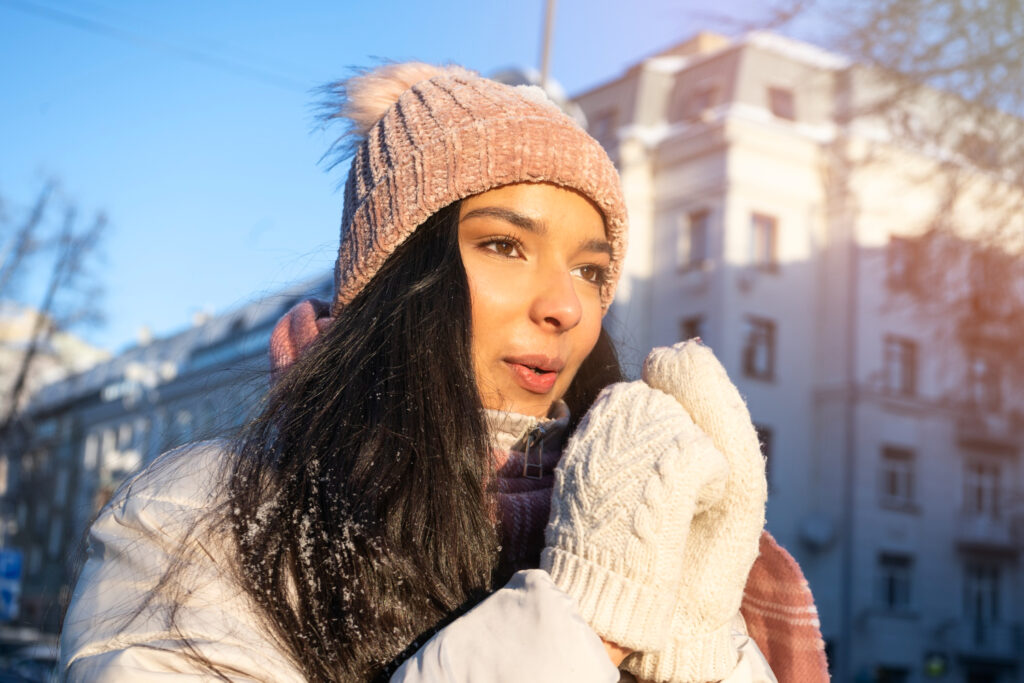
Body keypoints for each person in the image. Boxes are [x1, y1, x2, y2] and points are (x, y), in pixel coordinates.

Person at [60, 63, 828, 682]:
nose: (565, 304)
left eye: (592, 270)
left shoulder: (631, 510)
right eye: (504, 245)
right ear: (398, 271)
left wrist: (697, 623)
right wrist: (590, 621)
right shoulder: (204, 514)